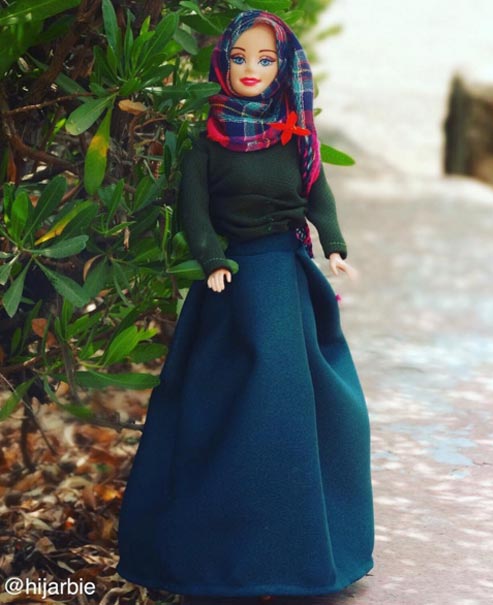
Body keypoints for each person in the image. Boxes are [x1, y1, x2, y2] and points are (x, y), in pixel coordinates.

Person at [116, 9, 375, 601]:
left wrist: (333, 246)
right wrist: (212, 260)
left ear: (284, 68)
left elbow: (317, 192)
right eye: (239, 58)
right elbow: (194, 213)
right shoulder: (207, 147)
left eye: (265, 59)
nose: (251, 69)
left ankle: (305, 554)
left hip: (288, 280)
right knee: (224, 411)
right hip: (232, 287)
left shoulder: (295, 137)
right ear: (222, 64)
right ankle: (219, 559)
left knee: (310, 409)